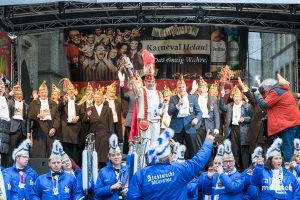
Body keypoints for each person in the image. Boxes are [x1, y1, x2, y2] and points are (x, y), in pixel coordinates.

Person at [127, 128, 215, 199]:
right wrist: (208, 143)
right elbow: (197, 161)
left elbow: (132, 197)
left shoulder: (141, 175)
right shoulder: (179, 169)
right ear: (169, 157)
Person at [254, 78, 300, 163]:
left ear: (268, 87)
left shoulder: (275, 91)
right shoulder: (283, 90)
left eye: (264, 89)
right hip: (295, 121)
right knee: (297, 146)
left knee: (287, 148)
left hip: (288, 123)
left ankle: (287, 170)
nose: (264, 91)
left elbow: (264, 104)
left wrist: (257, 93)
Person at [131, 50, 163, 144]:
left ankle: (153, 159)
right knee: (145, 143)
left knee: (154, 143)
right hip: (145, 120)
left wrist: (159, 110)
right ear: (145, 82)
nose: (151, 83)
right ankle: (144, 159)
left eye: (152, 82)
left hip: (156, 120)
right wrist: (133, 78)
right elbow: (134, 88)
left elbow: (161, 105)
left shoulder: (159, 93)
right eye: (149, 81)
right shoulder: (141, 90)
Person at [168, 75, 202, 158]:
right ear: (177, 89)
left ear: (186, 87)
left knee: (192, 151)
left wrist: (197, 119)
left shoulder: (192, 97)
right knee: (176, 152)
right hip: (176, 128)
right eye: (179, 87)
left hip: (189, 127)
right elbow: (170, 112)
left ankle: (193, 170)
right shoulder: (173, 98)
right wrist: (178, 104)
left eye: (183, 87)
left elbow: (199, 112)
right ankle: (176, 169)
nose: (181, 89)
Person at [220, 86, 253, 171]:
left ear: (241, 97)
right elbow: (222, 107)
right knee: (235, 151)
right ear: (233, 97)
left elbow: (252, 118)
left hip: (243, 130)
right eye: (235, 96)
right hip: (233, 129)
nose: (236, 98)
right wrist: (222, 96)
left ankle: (245, 170)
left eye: (238, 96)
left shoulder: (247, 105)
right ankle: (236, 170)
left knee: (244, 151)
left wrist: (244, 119)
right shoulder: (230, 105)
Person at [83, 87, 114, 168]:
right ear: (94, 98)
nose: (97, 99)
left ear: (102, 99)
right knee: (94, 157)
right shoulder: (90, 109)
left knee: (104, 157)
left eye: (99, 97)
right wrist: (88, 116)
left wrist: (112, 136)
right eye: (96, 97)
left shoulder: (108, 109)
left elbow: (111, 123)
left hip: (105, 136)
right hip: (94, 136)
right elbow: (84, 121)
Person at [28, 81, 60, 158]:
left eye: (45, 92)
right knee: (39, 153)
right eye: (42, 92)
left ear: (48, 92)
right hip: (38, 129)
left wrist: (54, 128)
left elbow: (57, 118)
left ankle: (51, 169)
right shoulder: (33, 103)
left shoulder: (53, 103)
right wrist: (37, 115)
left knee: (50, 154)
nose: (44, 93)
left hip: (50, 129)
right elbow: (29, 115)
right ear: (39, 93)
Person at [94, 134, 128, 200]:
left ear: (121, 156)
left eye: (118, 154)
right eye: (113, 155)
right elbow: (97, 192)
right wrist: (111, 187)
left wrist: (128, 189)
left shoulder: (127, 170)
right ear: (109, 157)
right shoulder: (103, 172)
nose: (116, 157)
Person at [191, 79, 220, 147]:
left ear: (207, 89)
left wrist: (217, 127)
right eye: (200, 87)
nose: (201, 89)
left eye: (203, 87)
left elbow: (216, 114)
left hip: (209, 125)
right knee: (198, 147)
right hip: (197, 124)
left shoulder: (213, 99)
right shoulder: (195, 97)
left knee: (208, 147)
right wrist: (192, 91)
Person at [59, 80, 82, 162]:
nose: (71, 91)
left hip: (75, 131)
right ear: (66, 91)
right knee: (65, 154)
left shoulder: (79, 101)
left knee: (74, 155)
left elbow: (83, 114)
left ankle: (75, 172)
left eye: (72, 89)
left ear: (75, 90)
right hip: (65, 131)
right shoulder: (63, 100)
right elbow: (57, 109)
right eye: (69, 89)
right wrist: (63, 102)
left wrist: (78, 117)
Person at [8, 83, 30, 166]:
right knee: (12, 150)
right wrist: (11, 93)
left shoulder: (26, 106)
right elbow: (6, 99)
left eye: (20, 94)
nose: (19, 95)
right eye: (17, 94)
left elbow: (28, 120)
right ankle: (10, 166)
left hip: (23, 131)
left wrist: (28, 132)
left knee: (21, 151)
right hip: (13, 129)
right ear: (14, 95)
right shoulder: (11, 103)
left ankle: (20, 167)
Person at [118, 71, 135, 154]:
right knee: (129, 139)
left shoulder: (143, 92)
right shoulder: (130, 93)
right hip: (131, 119)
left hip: (140, 119)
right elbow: (122, 95)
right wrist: (121, 83)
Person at [0, 79, 12, 167]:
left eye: (2, 87)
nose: (0, 88)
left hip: (6, 132)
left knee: (4, 154)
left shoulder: (8, 100)